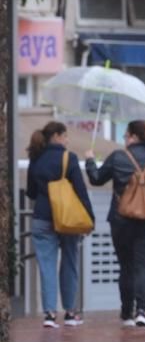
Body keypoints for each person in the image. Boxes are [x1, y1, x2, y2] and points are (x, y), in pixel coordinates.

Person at [86, 121, 145, 328]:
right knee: (144, 266)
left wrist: (90, 161)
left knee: (126, 266)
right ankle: (143, 312)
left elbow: (96, 179)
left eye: (126, 136)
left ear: (134, 137)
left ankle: (127, 313)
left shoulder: (119, 157)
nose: (124, 140)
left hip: (122, 220)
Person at [24, 122, 93, 329]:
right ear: (56, 136)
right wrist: (89, 217)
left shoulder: (35, 158)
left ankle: (50, 315)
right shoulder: (68, 158)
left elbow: (30, 192)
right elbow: (80, 190)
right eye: (65, 136)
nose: (67, 140)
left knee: (47, 267)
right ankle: (70, 313)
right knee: (70, 263)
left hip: (42, 218)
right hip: (68, 219)